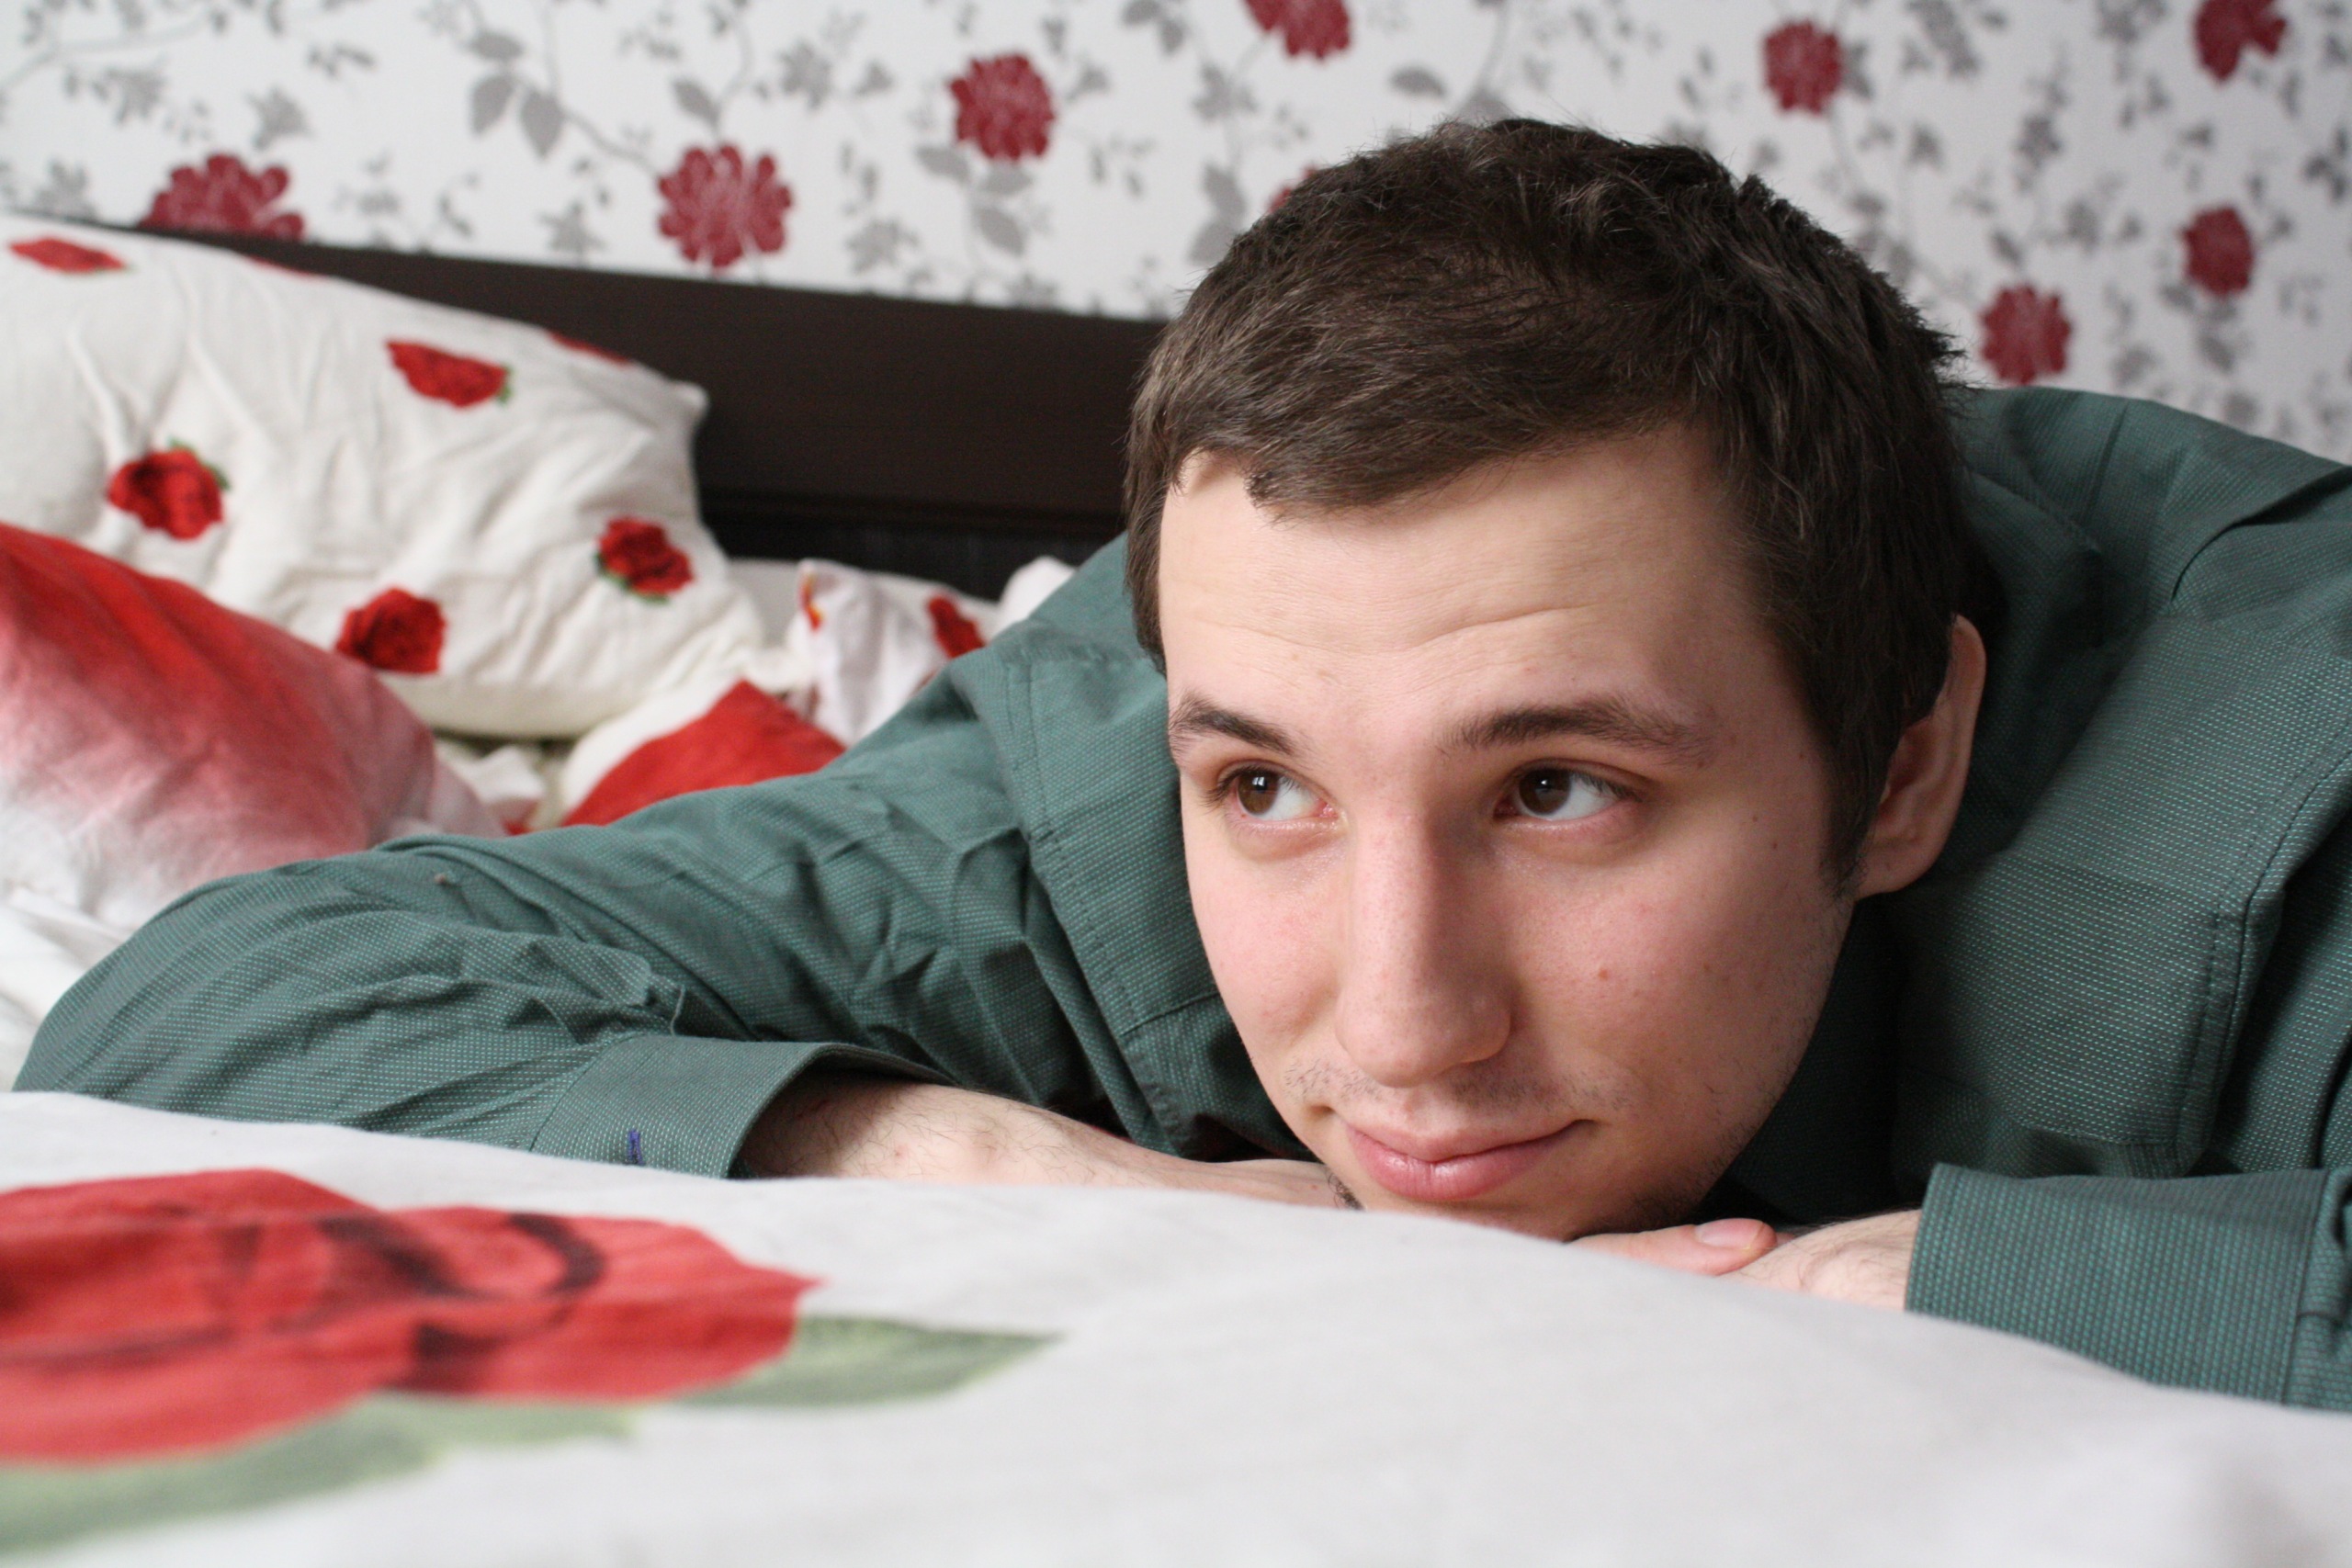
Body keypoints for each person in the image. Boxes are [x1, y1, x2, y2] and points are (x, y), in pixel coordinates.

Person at [22, 122, 2352, 1413]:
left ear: (1905, 752)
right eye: (1266, 791)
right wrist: (948, 1151)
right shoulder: (1089, 762)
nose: (1401, 1027)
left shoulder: (2294, 723)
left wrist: (1921, 1286)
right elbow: (184, 1019)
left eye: (1556, 789)